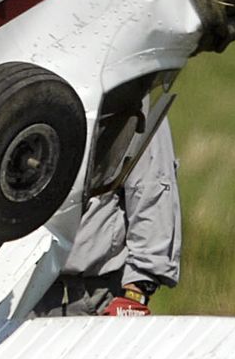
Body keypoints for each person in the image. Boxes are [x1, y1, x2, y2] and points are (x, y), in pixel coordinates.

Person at [45, 118, 180, 315]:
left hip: (92, 296)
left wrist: (136, 293)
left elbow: (152, 188)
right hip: (15, 291)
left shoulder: (134, 95)